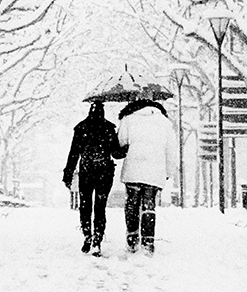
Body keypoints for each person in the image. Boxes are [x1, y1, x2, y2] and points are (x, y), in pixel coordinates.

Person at [62, 100, 126, 256]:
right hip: (104, 173)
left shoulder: (81, 128)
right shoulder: (109, 128)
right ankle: (97, 239)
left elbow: (74, 153)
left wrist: (68, 174)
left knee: (85, 206)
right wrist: (126, 148)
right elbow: (116, 154)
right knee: (100, 206)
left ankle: (87, 236)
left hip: (86, 172)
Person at [117, 99, 177, 255]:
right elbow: (171, 150)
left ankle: (132, 239)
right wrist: (168, 172)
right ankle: (148, 242)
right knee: (149, 207)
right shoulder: (164, 122)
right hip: (154, 170)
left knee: (131, 205)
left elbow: (121, 142)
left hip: (133, 169)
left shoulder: (128, 118)